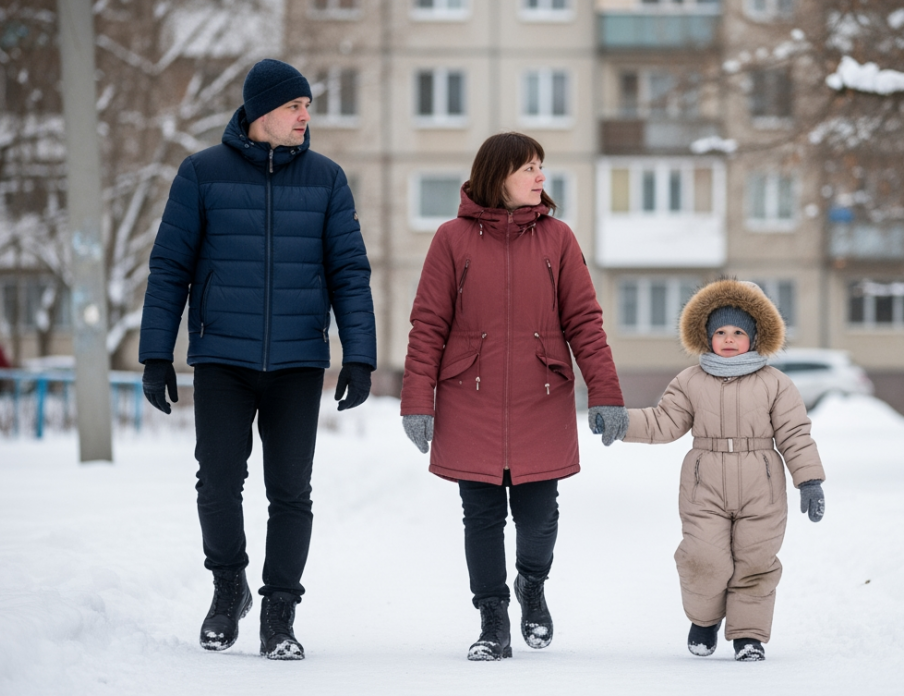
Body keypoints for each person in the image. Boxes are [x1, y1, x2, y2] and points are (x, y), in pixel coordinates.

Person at [138, 58, 376, 661]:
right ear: (262, 111)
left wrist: (360, 357)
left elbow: (349, 271)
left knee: (290, 490)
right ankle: (227, 590)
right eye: (296, 106)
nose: (305, 117)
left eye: (308, 107)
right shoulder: (200, 173)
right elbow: (170, 268)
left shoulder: (326, 179)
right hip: (222, 357)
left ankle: (279, 612)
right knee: (218, 481)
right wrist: (156, 354)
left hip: (297, 361)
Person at [400, 132, 628, 661]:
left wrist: (606, 393)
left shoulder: (559, 239)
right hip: (468, 396)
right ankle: (492, 618)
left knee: (539, 513)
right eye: (529, 167)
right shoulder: (451, 239)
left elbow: (584, 323)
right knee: (479, 515)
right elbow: (428, 324)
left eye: (540, 166)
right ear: (498, 174)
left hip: (540, 393)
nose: (539, 177)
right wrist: (417, 401)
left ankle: (531, 584)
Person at [609, 279, 826, 662]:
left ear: (756, 336)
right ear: (706, 336)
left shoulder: (776, 384)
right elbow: (664, 421)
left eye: (738, 332)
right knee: (703, 556)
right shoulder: (690, 380)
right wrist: (622, 423)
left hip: (762, 485)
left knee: (755, 560)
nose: (728, 339)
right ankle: (705, 620)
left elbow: (794, 433)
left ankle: (748, 636)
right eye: (720, 332)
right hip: (703, 483)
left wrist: (809, 480)